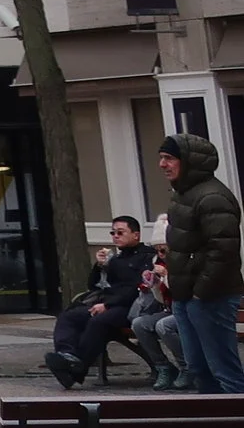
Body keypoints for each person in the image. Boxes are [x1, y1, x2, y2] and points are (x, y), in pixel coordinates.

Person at [160, 133, 244, 395]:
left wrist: (201, 292)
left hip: (211, 296)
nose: (163, 164)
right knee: (197, 367)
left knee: (223, 367)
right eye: (161, 158)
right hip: (186, 295)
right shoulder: (183, 195)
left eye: (169, 158)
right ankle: (213, 423)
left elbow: (224, 249)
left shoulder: (212, 197)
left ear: (189, 162)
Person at [46, 215, 152, 387]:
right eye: (113, 233)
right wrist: (99, 267)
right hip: (106, 303)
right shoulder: (115, 259)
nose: (115, 236)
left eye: (120, 232)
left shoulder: (147, 257)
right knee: (69, 316)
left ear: (136, 235)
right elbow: (95, 286)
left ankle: (77, 367)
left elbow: (137, 288)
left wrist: (108, 305)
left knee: (99, 321)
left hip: (131, 306)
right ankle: (66, 356)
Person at [128, 254, 187, 391]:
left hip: (185, 310)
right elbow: (162, 300)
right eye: (157, 249)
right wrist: (155, 284)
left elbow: (182, 291)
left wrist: (166, 276)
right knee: (139, 324)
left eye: (163, 249)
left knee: (164, 326)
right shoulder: (157, 262)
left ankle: (187, 367)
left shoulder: (182, 262)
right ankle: (163, 367)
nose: (161, 253)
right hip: (170, 309)